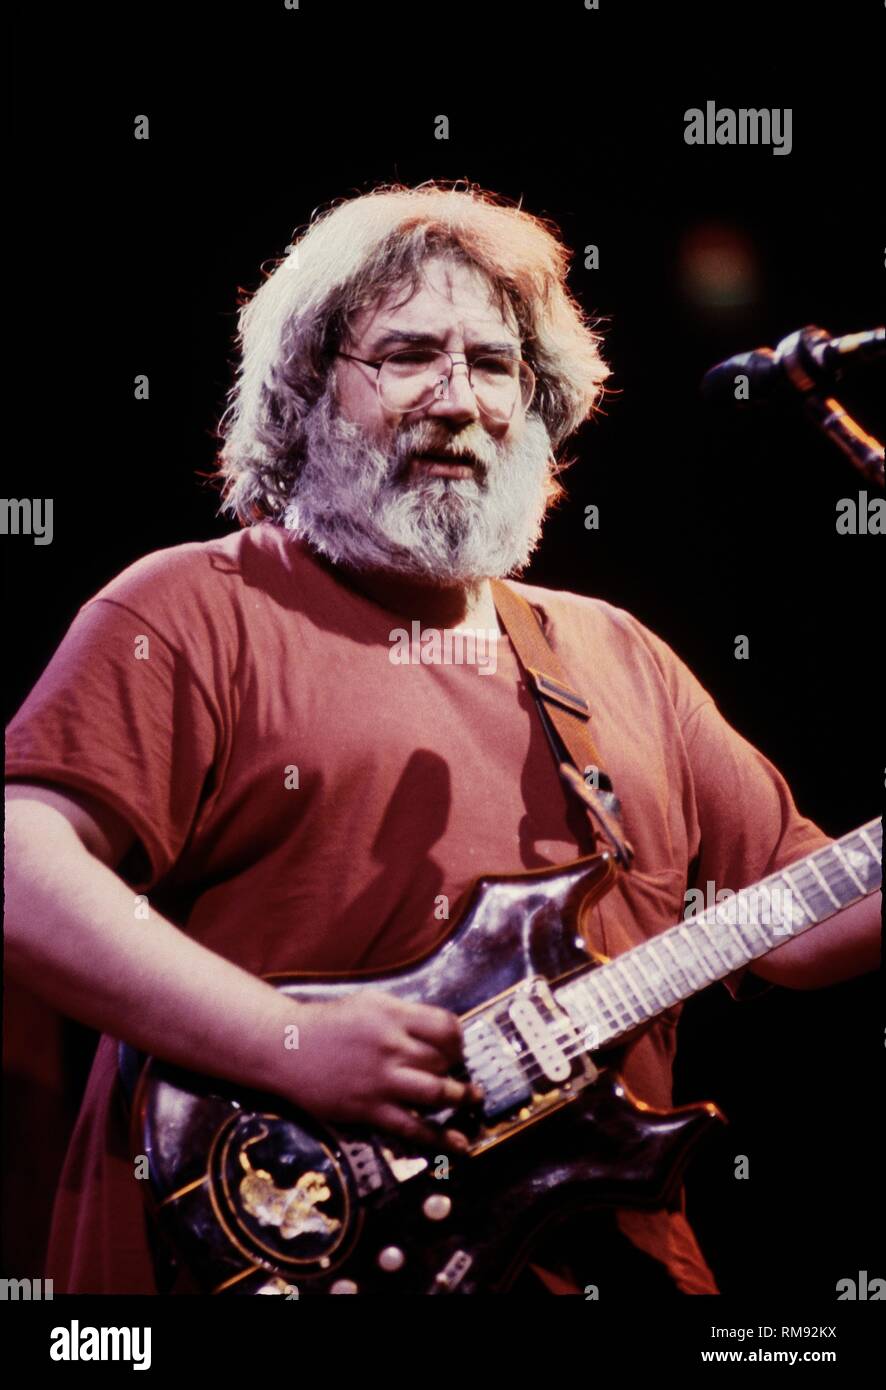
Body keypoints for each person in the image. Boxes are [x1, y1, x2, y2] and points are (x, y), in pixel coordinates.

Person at [4, 182, 879, 1296]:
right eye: (407, 355)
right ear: (308, 388)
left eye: (496, 363)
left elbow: (796, 922)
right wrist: (285, 1037)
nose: (457, 399)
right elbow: (18, 871)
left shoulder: (614, 652)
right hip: (268, 1249)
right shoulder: (192, 606)